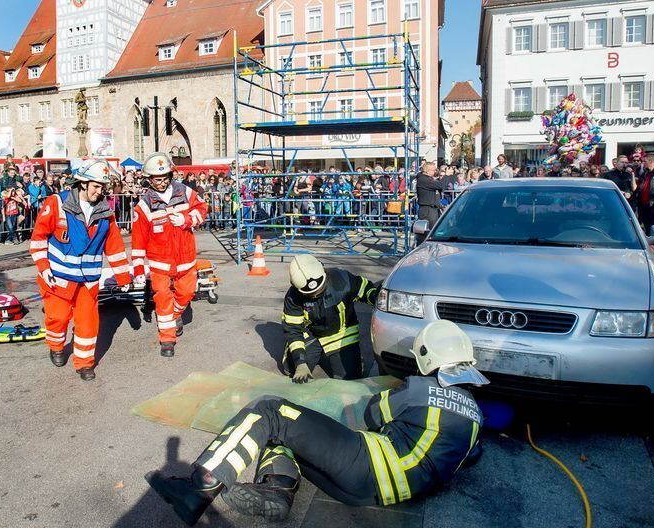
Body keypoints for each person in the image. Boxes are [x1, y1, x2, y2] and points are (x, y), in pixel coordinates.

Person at [146, 320, 484, 525]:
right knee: (285, 436)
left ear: (427, 356)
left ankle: (200, 485)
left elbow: (372, 415)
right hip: (376, 495)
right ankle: (276, 491)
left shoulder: (419, 389)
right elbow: (469, 456)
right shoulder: (475, 418)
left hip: (364, 464)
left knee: (271, 412)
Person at [30, 160, 134, 381]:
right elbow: (38, 238)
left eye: (102, 187)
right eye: (96, 186)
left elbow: (114, 246)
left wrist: (124, 277)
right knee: (57, 319)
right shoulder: (57, 203)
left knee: (88, 323)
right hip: (58, 278)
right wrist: (43, 267)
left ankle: (85, 363)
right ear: (83, 183)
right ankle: (56, 346)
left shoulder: (105, 212)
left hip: (88, 280)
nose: (100, 192)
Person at [131, 152, 208, 358]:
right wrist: (138, 267)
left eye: (165, 177)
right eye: (157, 179)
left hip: (185, 257)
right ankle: (167, 339)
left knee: (187, 293)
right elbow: (138, 239)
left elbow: (202, 208)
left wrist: (186, 219)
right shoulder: (143, 206)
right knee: (162, 297)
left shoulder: (185, 192)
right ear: (149, 180)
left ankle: (173, 316)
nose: (162, 182)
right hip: (159, 262)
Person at [280, 254, 381, 382]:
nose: (316, 295)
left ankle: (345, 357)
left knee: (348, 379)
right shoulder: (293, 297)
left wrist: (376, 296)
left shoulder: (342, 280)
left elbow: (365, 289)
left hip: (341, 335)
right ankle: (316, 356)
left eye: (320, 290)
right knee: (291, 369)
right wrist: (300, 361)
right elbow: (293, 329)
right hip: (312, 335)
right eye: (311, 295)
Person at [413, 162, 444, 244]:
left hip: (433, 208)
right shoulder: (423, 179)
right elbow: (440, 185)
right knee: (426, 234)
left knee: (432, 232)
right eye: (434, 170)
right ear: (428, 170)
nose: (435, 172)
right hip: (427, 210)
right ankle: (421, 251)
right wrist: (445, 176)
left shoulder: (428, 179)